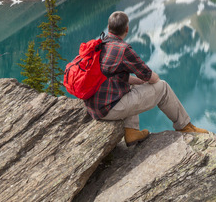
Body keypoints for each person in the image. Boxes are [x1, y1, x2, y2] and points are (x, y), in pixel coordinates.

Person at [84, 11, 208, 146]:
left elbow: (112, 76)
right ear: (127, 29)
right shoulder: (123, 49)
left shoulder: (100, 45)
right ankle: (185, 126)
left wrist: (138, 81)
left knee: (133, 86)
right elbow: (151, 77)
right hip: (109, 109)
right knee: (163, 87)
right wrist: (152, 79)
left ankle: (131, 131)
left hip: (93, 106)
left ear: (109, 28)